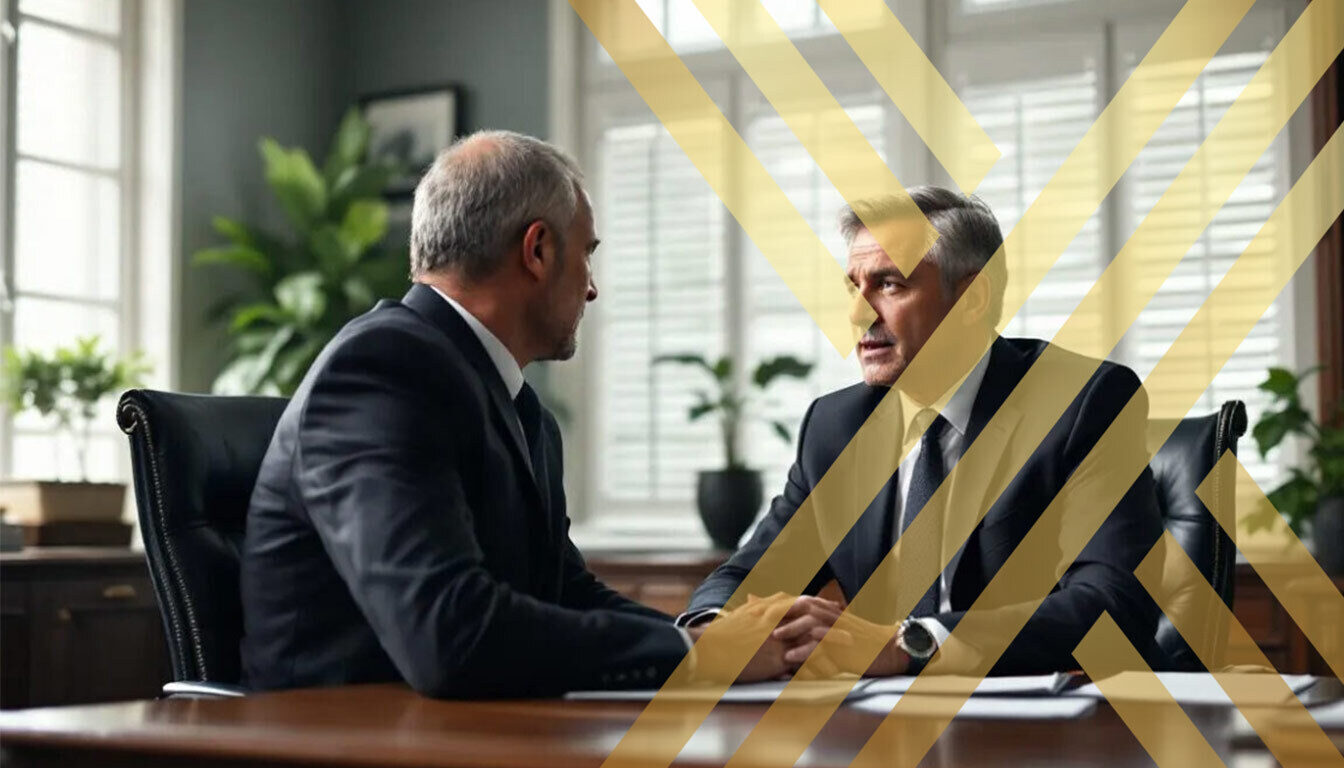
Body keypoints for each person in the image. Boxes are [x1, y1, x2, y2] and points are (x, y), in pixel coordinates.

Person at [240, 130, 791, 698]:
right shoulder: (380, 370)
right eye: (587, 254)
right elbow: (447, 634)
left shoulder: (520, 408)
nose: (593, 289)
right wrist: (696, 657)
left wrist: (704, 638)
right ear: (538, 250)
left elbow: (564, 592)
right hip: (334, 744)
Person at [682, 187, 1165, 676]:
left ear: (972, 298)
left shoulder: (1082, 402)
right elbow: (749, 575)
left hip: (1043, 729)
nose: (858, 314)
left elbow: (1112, 608)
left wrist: (912, 644)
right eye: (854, 288)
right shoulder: (837, 428)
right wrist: (716, 631)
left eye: (889, 284)